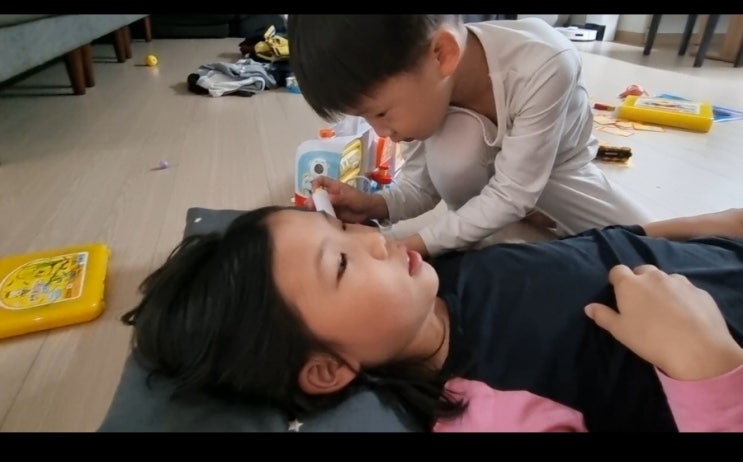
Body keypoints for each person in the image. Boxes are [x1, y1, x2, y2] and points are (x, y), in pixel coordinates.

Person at [121, 205, 743, 432]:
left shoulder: (448, 277)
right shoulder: (487, 412)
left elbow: (595, 249)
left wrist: (706, 225)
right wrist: (709, 368)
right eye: (341, 262)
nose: (372, 237)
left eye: (342, 227)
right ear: (329, 369)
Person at [288, 15, 652, 258]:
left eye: (381, 113)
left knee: (648, 244)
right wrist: (373, 206)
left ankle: (507, 225)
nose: (382, 132)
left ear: (442, 54)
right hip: (494, 185)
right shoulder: (426, 88)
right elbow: (421, 188)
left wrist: (410, 245)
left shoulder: (544, 63)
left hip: (559, 170)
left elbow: (512, 193)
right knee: (457, 151)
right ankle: (495, 229)